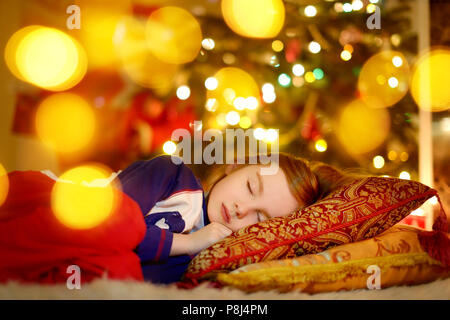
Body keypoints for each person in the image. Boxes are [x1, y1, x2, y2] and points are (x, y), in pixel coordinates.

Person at [115, 152, 359, 284]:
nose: (242, 209)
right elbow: (108, 223)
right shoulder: (172, 175)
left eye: (260, 217)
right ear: (236, 165)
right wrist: (186, 243)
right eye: (251, 187)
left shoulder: (211, 260)